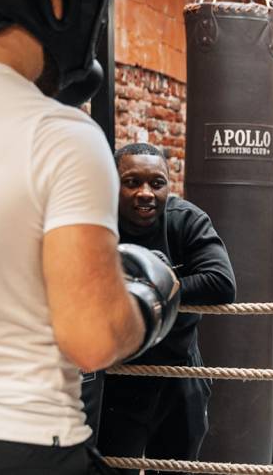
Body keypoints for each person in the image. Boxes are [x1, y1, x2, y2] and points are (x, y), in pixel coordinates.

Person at [0, 0, 181, 474]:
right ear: (59, 0)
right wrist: (148, 305)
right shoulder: (60, 135)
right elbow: (92, 339)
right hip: (22, 442)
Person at [89, 143, 236, 475]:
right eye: (132, 182)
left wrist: (152, 288)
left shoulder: (185, 219)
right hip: (119, 374)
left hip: (178, 372)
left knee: (175, 469)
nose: (145, 193)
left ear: (169, 185)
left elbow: (222, 282)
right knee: (113, 467)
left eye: (156, 183)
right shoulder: (98, 225)